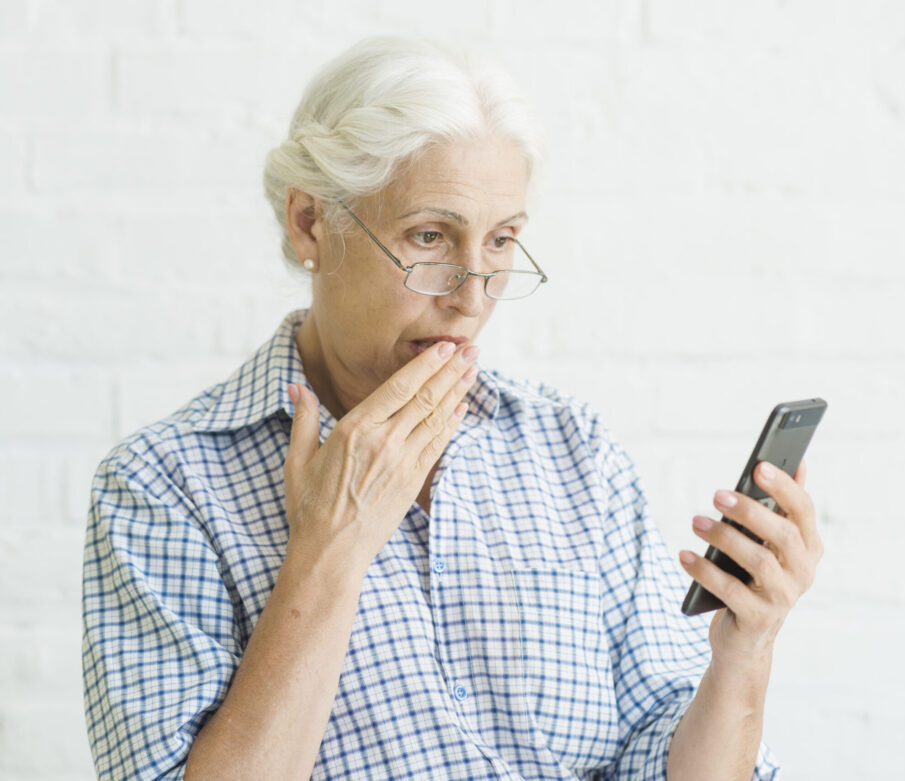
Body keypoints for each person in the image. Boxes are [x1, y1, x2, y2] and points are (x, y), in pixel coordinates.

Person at [81, 37, 823, 780]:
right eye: (429, 236)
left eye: (500, 241)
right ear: (310, 223)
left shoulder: (574, 450)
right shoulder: (162, 487)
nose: (472, 297)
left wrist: (745, 648)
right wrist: (331, 548)